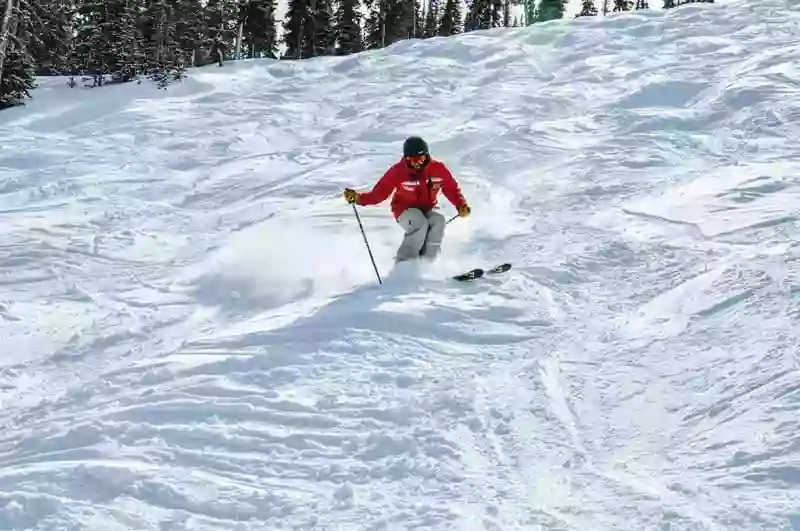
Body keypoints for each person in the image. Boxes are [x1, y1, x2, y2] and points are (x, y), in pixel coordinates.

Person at [343, 136, 471, 264]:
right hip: (404, 210)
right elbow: (379, 193)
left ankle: (427, 264)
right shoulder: (398, 171)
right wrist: (359, 198)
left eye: (421, 158)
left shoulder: (438, 169)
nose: (418, 163)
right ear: (406, 158)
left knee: (438, 221)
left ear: (427, 156)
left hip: (427, 209)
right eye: (413, 159)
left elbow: (451, 188)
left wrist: (461, 205)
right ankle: (404, 265)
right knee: (420, 223)